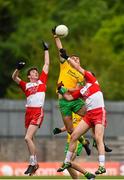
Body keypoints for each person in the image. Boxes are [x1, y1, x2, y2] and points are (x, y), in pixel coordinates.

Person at [57, 49, 108, 175]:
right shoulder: (82, 89)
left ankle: (102, 166)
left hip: (99, 113)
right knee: (74, 136)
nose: (86, 74)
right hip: (89, 115)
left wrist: (68, 58)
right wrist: (61, 90)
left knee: (98, 137)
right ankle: (67, 161)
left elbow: (78, 68)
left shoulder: (93, 80)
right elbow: (69, 98)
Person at [52, 27, 91, 158]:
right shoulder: (65, 65)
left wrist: (70, 90)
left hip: (73, 99)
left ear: (79, 62)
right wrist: (56, 36)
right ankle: (84, 142)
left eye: (77, 59)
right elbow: (60, 50)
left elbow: (83, 91)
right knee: (70, 130)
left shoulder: (81, 75)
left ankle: (99, 142)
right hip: (63, 100)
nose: (75, 59)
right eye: (73, 58)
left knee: (92, 116)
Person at [12, 42, 49, 176]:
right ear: (29, 76)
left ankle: (33, 163)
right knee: (31, 139)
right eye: (33, 72)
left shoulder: (42, 82)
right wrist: (17, 68)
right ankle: (35, 164)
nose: (36, 73)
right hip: (28, 112)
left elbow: (46, 65)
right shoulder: (26, 85)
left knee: (27, 138)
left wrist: (46, 49)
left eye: (36, 72)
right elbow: (14, 77)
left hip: (37, 111)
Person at [53, 113, 91, 179]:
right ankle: (82, 176)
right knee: (68, 165)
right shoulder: (71, 112)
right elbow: (69, 126)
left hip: (78, 140)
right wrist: (60, 130)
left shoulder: (82, 111)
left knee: (68, 163)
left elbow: (87, 125)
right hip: (69, 141)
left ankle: (87, 174)